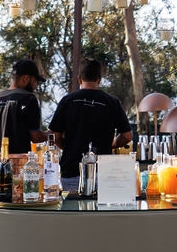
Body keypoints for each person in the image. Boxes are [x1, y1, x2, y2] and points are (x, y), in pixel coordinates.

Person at [50, 57, 132, 191]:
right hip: (103, 171)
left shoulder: (67, 101)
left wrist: (67, 147)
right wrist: (112, 144)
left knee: (72, 204)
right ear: (99, 80)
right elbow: (127, 136)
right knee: (102, 205)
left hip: (71, 170)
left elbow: (54, 135)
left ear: (79, 79)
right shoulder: (112, 102)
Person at [0, 59, 46, 155]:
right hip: (18, 161)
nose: (35, 86)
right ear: (26, 78)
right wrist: (51, 134)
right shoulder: (29, 99)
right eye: (35, 81)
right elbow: (35, 137)